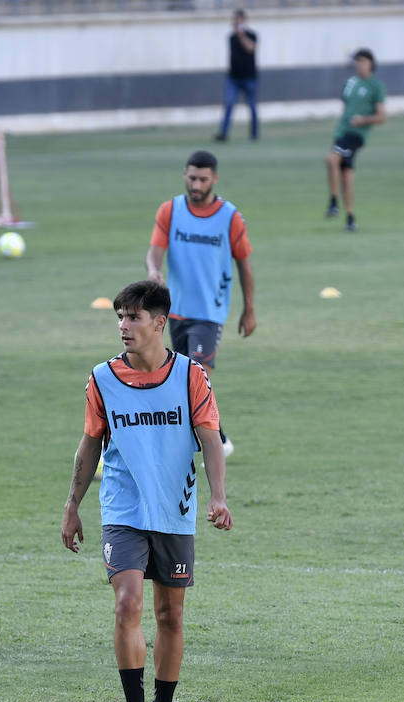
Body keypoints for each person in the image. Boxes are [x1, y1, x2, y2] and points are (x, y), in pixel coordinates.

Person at [61, 279, 234, 702]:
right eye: (119, 316)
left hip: (175, 509)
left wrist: (218, 497)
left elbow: (211, 438)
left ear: (159, 323)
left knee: (170, 614)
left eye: (133, 317)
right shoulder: (102, 378)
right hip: (123, 507)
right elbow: (90, 442)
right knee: (128, 603)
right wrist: (72, 505)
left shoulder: (191, 376)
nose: (123, 325)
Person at [146, 149, 256, 457]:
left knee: (197, 375)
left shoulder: (230, 217)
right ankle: (216, 436)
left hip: (210, 311)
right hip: (176, 310)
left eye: (203, 179)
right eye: (192, 178)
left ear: (214, 179)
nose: (196, 185)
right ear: (184, 174)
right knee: (181, 380)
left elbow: (245, 265)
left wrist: (249, 309)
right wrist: (154, 270)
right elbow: (154, 251)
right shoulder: (171, 210)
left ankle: (210, 445)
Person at [324, 48, 386, 233]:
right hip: (342, 132)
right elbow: (346, 106)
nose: (358, 64)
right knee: (346, 175)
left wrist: (363, 120)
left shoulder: (376, 85)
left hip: (356, 136)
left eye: (361, 61)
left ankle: (333, 202)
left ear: (370, 63)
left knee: (332, 159)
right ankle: (350, 218)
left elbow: (381, 117)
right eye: (356, 61)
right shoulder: (350, 83)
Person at [215, 9, 259, 142]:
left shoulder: (252, 35)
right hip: (233, 78)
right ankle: (223, 133)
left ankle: (254, 135)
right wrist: (237, 35)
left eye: (239, 20)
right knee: (229, 104)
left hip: (249, 77)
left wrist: (242, 35)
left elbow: (250, 48)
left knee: (251, 105)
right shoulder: (231, 38)